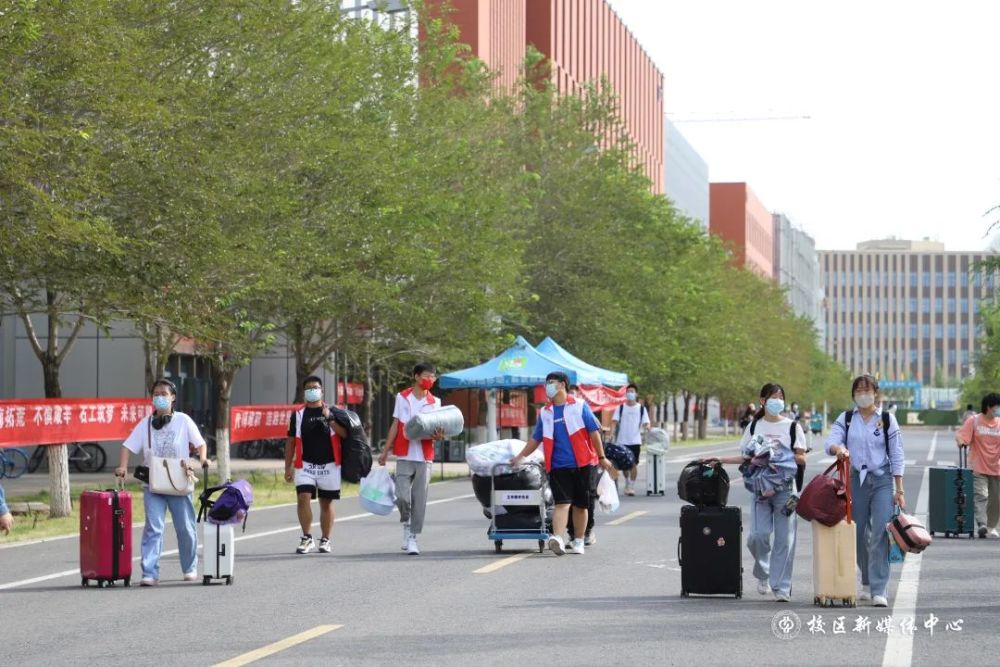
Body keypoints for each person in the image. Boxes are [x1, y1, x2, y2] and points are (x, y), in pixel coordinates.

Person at [705, 383, 805, 602]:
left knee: (784, 540)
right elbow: (746, 457)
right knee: (757, 537)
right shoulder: (753, 427)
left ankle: (781, 587)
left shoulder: (792, 427)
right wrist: (721, 459)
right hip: (760, 490)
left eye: (780, 397)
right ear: (762, 401)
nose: (777, 401)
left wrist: (778, 456)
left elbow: (801, 458)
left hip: (785, 490)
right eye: (772, 397)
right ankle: (764, 572)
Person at [115, 378, 208, 586]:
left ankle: (189, 567)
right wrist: (122, 467)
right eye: (156, 394)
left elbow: (200, 444)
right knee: (153, 527)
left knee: (185, 527)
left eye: (164, 394)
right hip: (153, 484)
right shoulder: (146, 424)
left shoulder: (183, 420)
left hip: (179, 482)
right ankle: (149, 572)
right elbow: (127, 446)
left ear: (173, 398)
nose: (160, 398)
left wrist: (202, 458)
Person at [511, 372, 615, 555]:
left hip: (584, 464)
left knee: (581, 505)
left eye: (550, 383)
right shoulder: (546, 412)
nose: (547, 387)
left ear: (562, 385)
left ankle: (579, 540)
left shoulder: (580, 406)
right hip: (558, 466)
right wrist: (520, 456)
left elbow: (593, 432)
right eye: (546, 383)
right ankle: (558, 538)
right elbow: (536, 439)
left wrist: (601, 457)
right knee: (562, 503)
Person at [825, 374, 905, 608]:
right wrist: (837, 447)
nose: (863, 394)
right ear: (853, 395)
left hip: (881, 480)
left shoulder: (887, 419)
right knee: (858, 533)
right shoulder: (847, 418)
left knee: (880, 531)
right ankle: (867, 580)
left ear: (876, 393)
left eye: (867, 390)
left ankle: (879, 588)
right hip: (855, 481)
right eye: (858, 390)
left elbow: (897, 454)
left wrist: (899, 488)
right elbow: (831, 440)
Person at [377, 362, 445, 555]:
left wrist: (439, 437)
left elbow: (439, 429)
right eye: (426, 376)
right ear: (416, 376)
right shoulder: (402, 397)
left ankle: (413, 537)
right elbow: (395, 425)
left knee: (419, 498)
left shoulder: (435, 402)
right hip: (405, 453)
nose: (430, 380)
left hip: (424, 456)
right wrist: (385, 451)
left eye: (433, 377)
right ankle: (406, 523)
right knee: (402, 497)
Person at [284, 376, 348, 554]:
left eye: (316, 387)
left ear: (322, 391)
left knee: (326, 503)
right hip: (305, 465)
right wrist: (287, 466)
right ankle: (307, 537)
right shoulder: (297, 415)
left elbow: (344, 434)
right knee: (303, 497)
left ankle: (325, 539)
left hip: (329, 465)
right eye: (309, 388)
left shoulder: (333, 411)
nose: (313, 390)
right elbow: (290, 442)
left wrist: (330, 420)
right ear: (304, 392)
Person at [955, 393, 1000, 538]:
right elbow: (962, 436)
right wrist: (961, 441)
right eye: (997, 407)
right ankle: (982, 524)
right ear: (988, 407)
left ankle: (991, 526)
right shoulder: (973, 421)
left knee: (996, 499)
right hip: (978, 466)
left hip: (996, 467)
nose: (998, 410)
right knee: (981, 495)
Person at [612, 383, 650, 496]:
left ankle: (631, 485)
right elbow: (614, 421)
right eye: (628, 392)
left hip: (635, 441)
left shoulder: (641, 409)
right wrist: (611, 433)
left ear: (636, 394)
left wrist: (648, 427)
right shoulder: (621, 408)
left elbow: (646, 422)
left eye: (632, 392)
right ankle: (627, 482)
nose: (630, 394)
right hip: (622, 441)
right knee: (624, 465)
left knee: (633, 464)